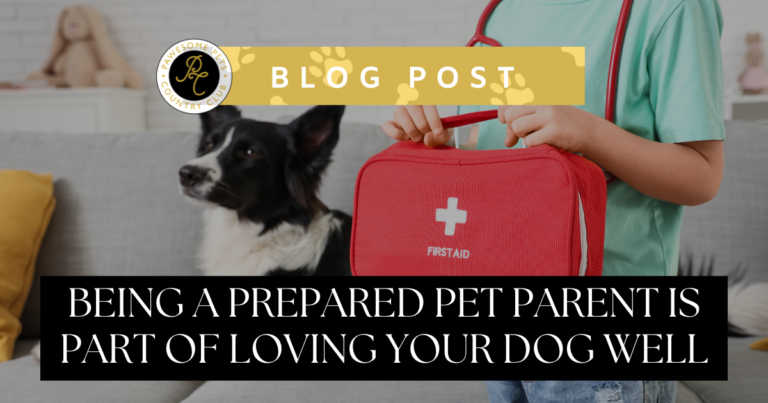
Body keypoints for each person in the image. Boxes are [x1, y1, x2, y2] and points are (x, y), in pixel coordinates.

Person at [382, 0, 725, 402]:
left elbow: (702, 175)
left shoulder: (672, 8)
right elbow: (492, 163)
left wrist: (588, 133)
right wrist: (433, 144)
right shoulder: (502, 12)